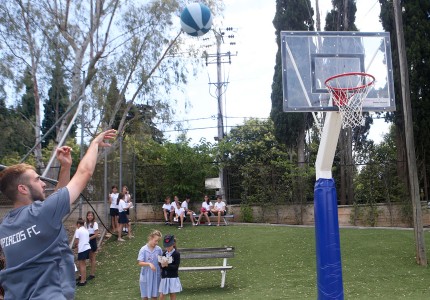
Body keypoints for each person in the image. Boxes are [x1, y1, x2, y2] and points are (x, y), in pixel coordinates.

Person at [0, 129, 116, 299]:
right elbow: (85, 172)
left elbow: (54, 206)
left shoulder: (5, 226)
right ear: (23, 188)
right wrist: (95, 144)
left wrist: (65, 167)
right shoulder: (42, 213)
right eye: (37, 179)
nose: (42, 183)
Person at [137, 229, 163, 300]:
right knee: (145, 296)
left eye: (158, 241)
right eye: (155, 240)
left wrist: (164, 262)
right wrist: (149, 264)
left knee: (154, 295)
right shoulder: (143, 249)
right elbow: (140, 262)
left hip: (156, 274)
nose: (157, 243)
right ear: (151, 238)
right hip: (146, 275)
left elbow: (161, 262)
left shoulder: (158, 249)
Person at [159, 234, 182, 300]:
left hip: (172, 277)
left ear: (173, 244)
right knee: (162, 294)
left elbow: (176, 267)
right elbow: (161, 265)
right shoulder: (164, 253)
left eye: (169, 246)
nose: (167, 248)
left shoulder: (176, 254)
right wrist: (161, 264)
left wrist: (167, 265)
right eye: (166, 246)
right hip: (164, 276)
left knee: (172, 293)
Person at [74, 217, 91, 286]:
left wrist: (75, 246)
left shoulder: (78, 230)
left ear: (78, 224)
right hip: (87, 247)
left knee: (82, 265)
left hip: (82, 248)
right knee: (83, 264)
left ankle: (82, 281)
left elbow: (77, 241)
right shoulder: (86, 230)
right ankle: (84, 279)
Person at [85, 211, 99, 280]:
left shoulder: (95, 223)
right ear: (87, 216)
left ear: (93, 216)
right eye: (89, 215)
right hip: (87, 240)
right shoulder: (86, 224)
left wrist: (89, 238)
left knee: (92, 258)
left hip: (92, 240)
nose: (90, 216)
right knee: (89, 257)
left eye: (91, 215)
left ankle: (92, 273)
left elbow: (96, 234)